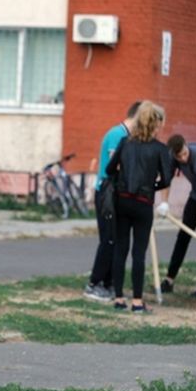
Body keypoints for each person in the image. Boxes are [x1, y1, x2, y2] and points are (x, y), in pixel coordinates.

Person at [105, 100, 172, 313]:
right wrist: (152, 186)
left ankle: (118, 298)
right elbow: (167, 179)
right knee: (138, 253)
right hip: (143, 203)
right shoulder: (160, 149)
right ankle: (136, 301)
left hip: (122, 200)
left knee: (120, 248)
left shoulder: (125, 143)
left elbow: (109, 169)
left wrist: (120, 180)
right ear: (155, 124)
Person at [83, 101, 141, 302]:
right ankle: (94, 283)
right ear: (137, 117)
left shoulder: (126, 136)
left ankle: (108, 283)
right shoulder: (118, 135)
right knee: (108, 239)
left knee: (115, 240)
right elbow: (114, 168)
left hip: (116, 194)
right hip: (107, 194)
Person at [161, 134, 196, 299]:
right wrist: (164, 203)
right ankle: (169, 280)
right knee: (183, 236)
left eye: (184, 154)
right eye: (178, 156)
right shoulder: (173, 156)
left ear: (186, 146)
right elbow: (167, 178)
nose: (182, 158)